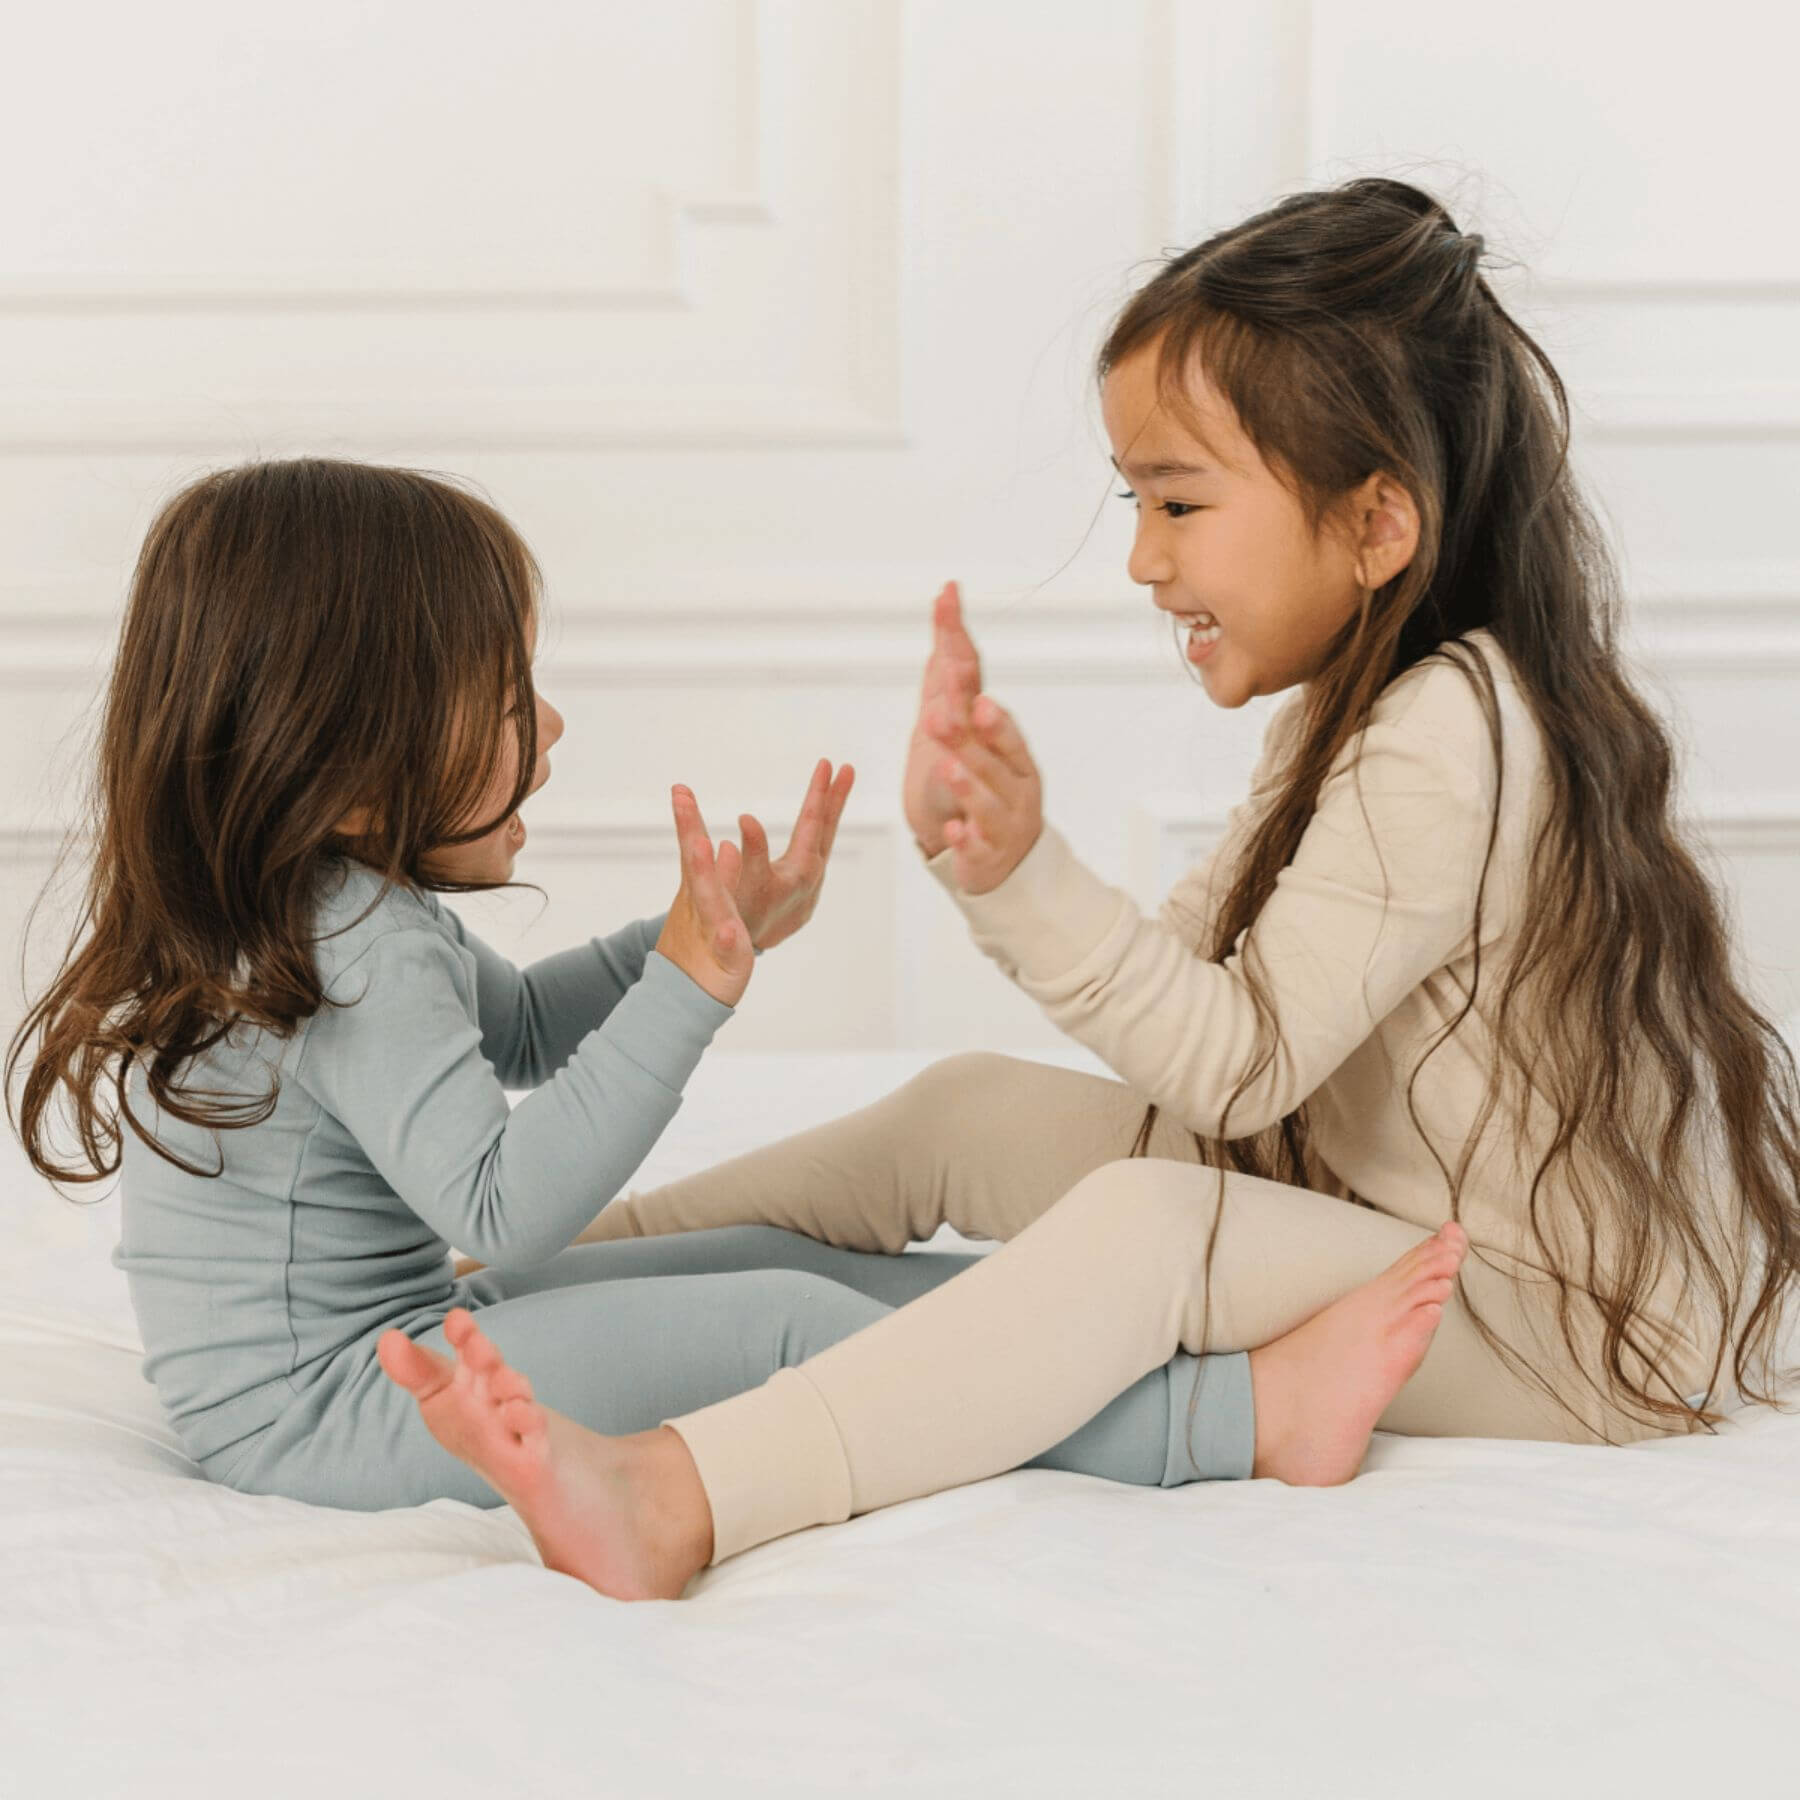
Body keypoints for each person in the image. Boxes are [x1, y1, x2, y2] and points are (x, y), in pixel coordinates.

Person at [370, 175, 1800, 1601]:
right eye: (1136, 500)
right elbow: (1197, 1002)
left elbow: (1233, 1071)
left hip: (1535, 1324)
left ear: (1377, 528)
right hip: (1373, 1209)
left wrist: (1027, 875)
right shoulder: (1361, 709)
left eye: (1179, 501)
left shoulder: (1447, 738)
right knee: (958, 1112)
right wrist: (1000, 863)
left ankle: (683, 1498)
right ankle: (509, 1293)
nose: (1142, 556)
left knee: (1145, 1229)